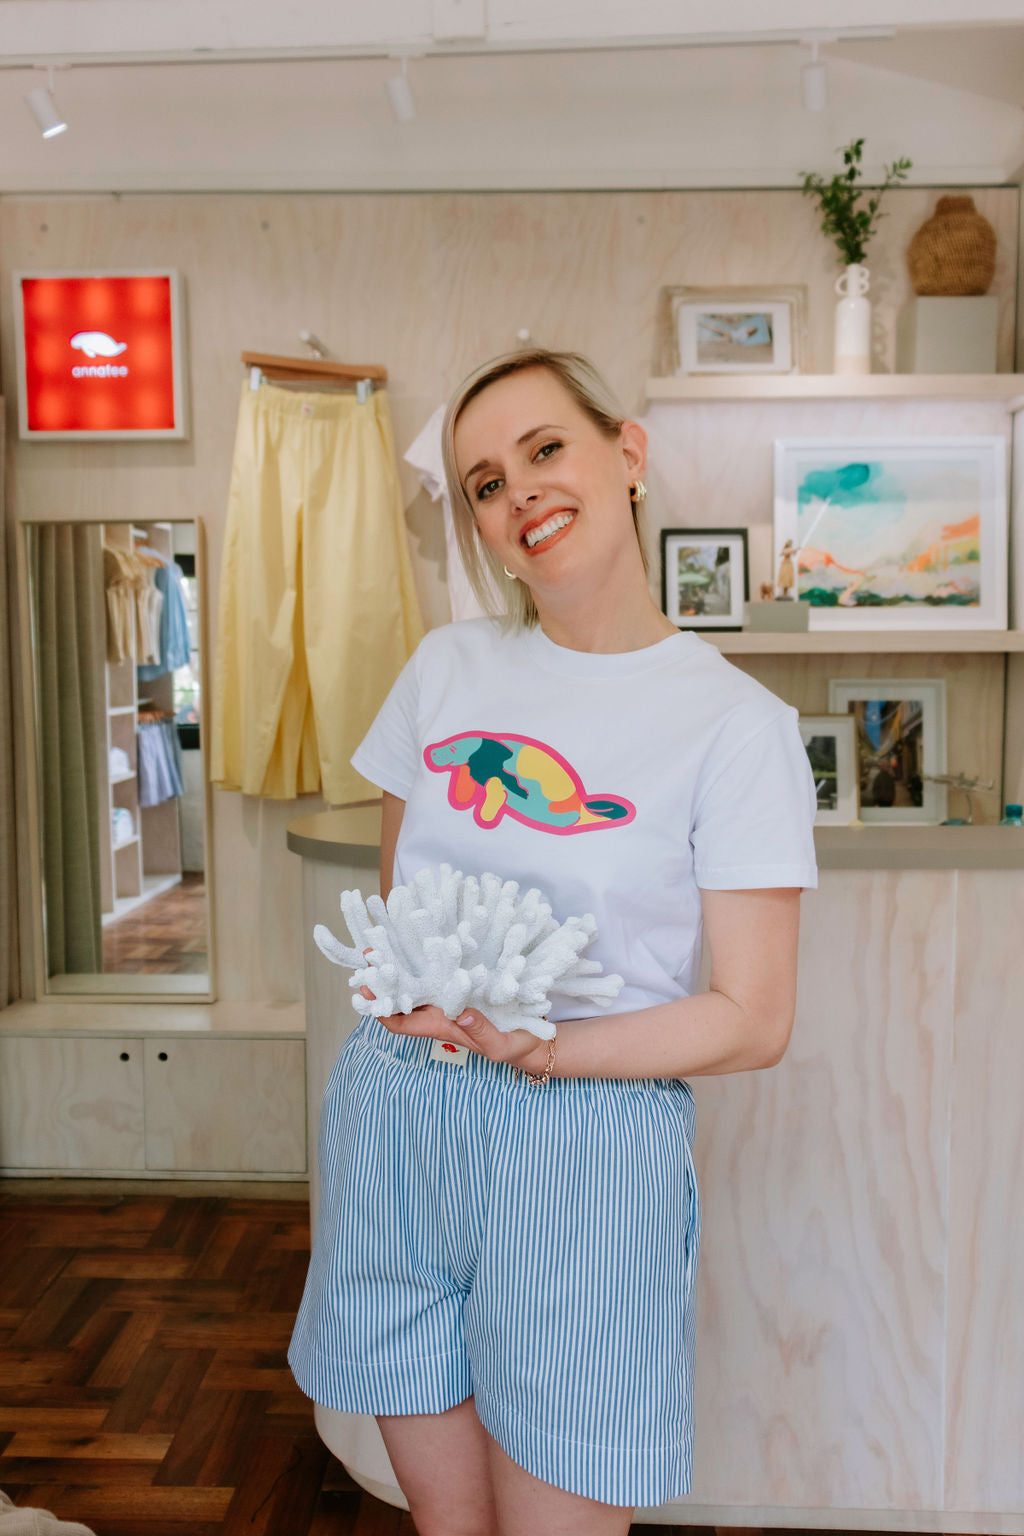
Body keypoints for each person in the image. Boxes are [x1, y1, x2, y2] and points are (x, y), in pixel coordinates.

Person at [287, 347, 818, 1536]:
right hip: (399, 1123)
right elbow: (401, 917)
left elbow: (751, 1016)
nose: (517, 492)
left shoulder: (735, 726)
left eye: (543, 450)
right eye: (483, 482)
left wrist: (540, 1050)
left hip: (581, 1146)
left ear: (625, 454)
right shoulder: (443, 671)